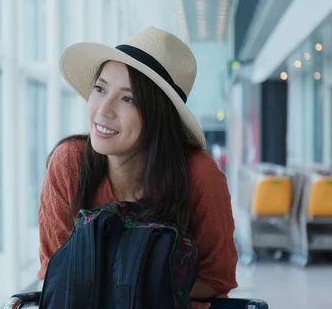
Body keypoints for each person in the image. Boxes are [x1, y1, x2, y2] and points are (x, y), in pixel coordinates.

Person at [37, 26, 238, 305]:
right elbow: (56, 273)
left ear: (159, 116)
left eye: (127, 98)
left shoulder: (199, 175)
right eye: (100, 88)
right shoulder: (70, 163)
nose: (103, 110)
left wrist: (133, 287)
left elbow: (217, 280)